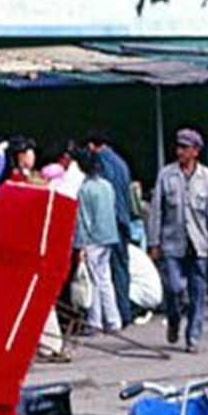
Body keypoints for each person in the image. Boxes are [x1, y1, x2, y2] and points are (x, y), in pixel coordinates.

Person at [147, 128, 208, 353]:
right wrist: (154, 243)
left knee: (198, 292)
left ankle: (194, 337)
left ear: (195, 152)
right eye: (178, 147)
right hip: (172, 243)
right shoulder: (166, 175)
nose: (179, 151)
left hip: (199, 244)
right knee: (174, 287)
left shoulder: (207, 177)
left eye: (185, 148)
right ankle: (174, 319)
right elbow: (156, 211)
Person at [86, 130, 135, 326]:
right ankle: (124, 312)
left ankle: (114, 316)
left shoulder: (102, 164)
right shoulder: (121, 162)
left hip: (110, 223)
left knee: (106, 273)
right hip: (123, 221)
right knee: (122, 268)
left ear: (92, 146)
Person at [73, 150, 121, 335]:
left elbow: (83, 220)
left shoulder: (84, 189)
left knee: (92, 282)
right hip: (108, 236)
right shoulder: (107, 186)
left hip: (92, 239)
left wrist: (80, 246)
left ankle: (95, 322)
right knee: (105, 280)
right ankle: (113, 320)